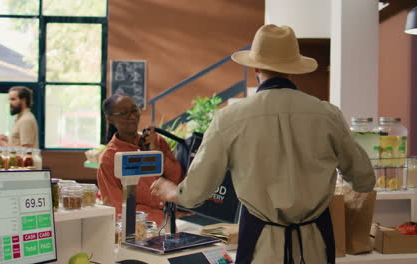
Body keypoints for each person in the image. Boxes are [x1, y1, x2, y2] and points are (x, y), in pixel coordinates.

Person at [151, 24, 375, 264]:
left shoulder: (230, 119)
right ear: (294, 70)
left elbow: (196, 192)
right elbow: (364, 179)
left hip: (261, 248)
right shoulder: (327, 115)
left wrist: (172, 191)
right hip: (315, 247)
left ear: (255, 67)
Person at [97, 94, 184, 226]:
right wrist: (162, 216)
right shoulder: (109, 158)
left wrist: (157, 153)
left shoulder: (156, 141)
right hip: (138, 227)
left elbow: (178, 179)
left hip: (172, 221)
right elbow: (118, 209)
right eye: (124, 113)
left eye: (134, 110)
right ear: (110, 119)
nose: (132, 116)